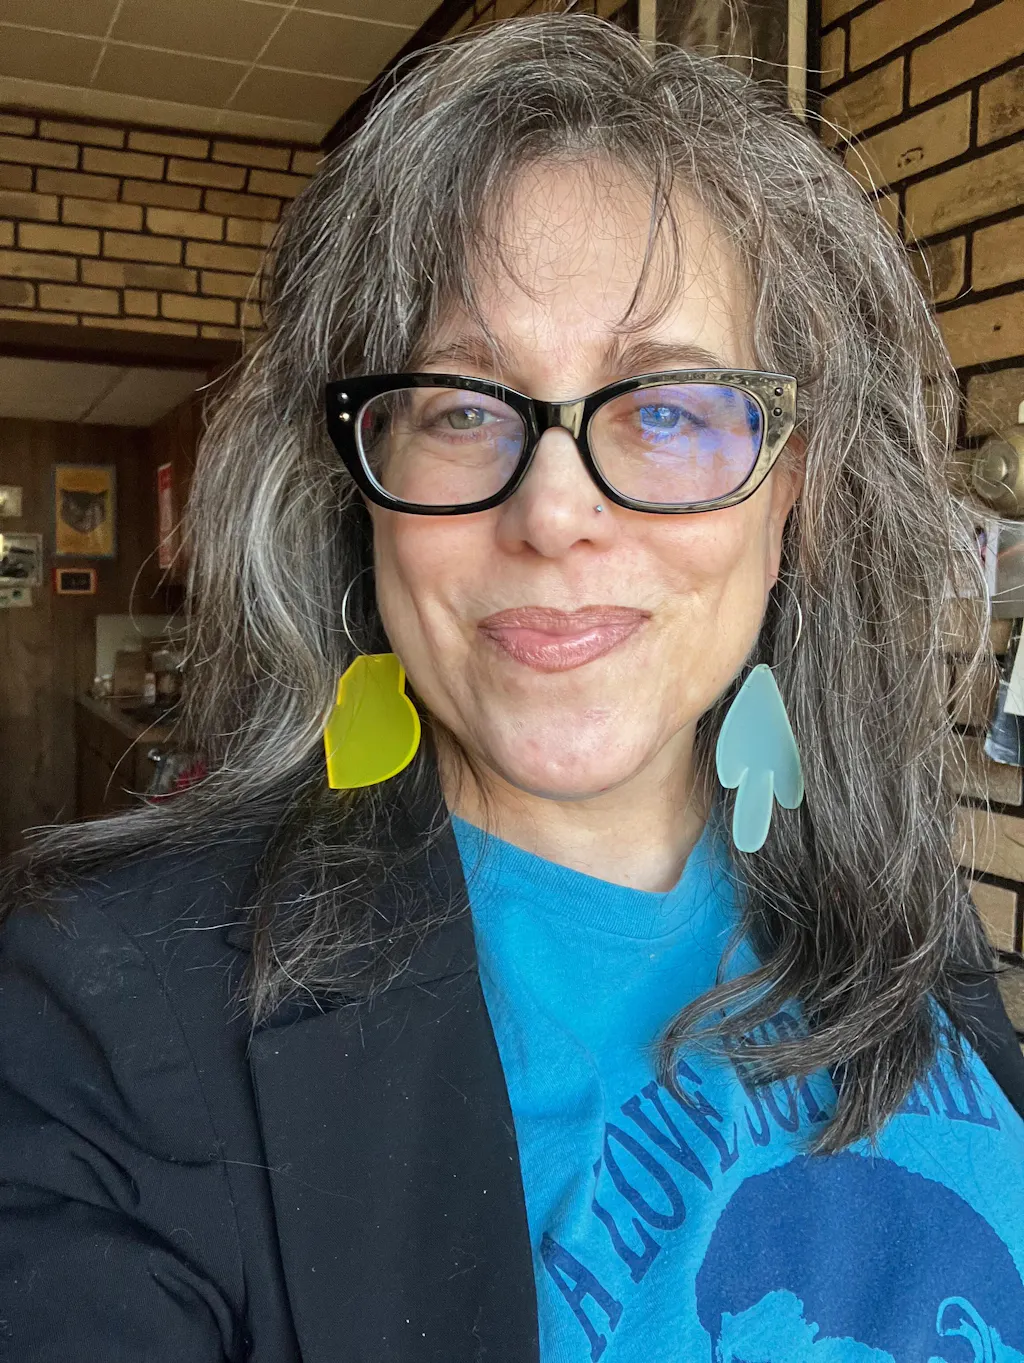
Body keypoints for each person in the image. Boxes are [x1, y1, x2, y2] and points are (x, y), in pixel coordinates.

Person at [1, 14, 1022, 1363]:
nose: (553, 515)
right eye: (466, 409)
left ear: (792, 498)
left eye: (667, 407)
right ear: (363, 496)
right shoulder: (111, 1008)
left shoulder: (885, 877)